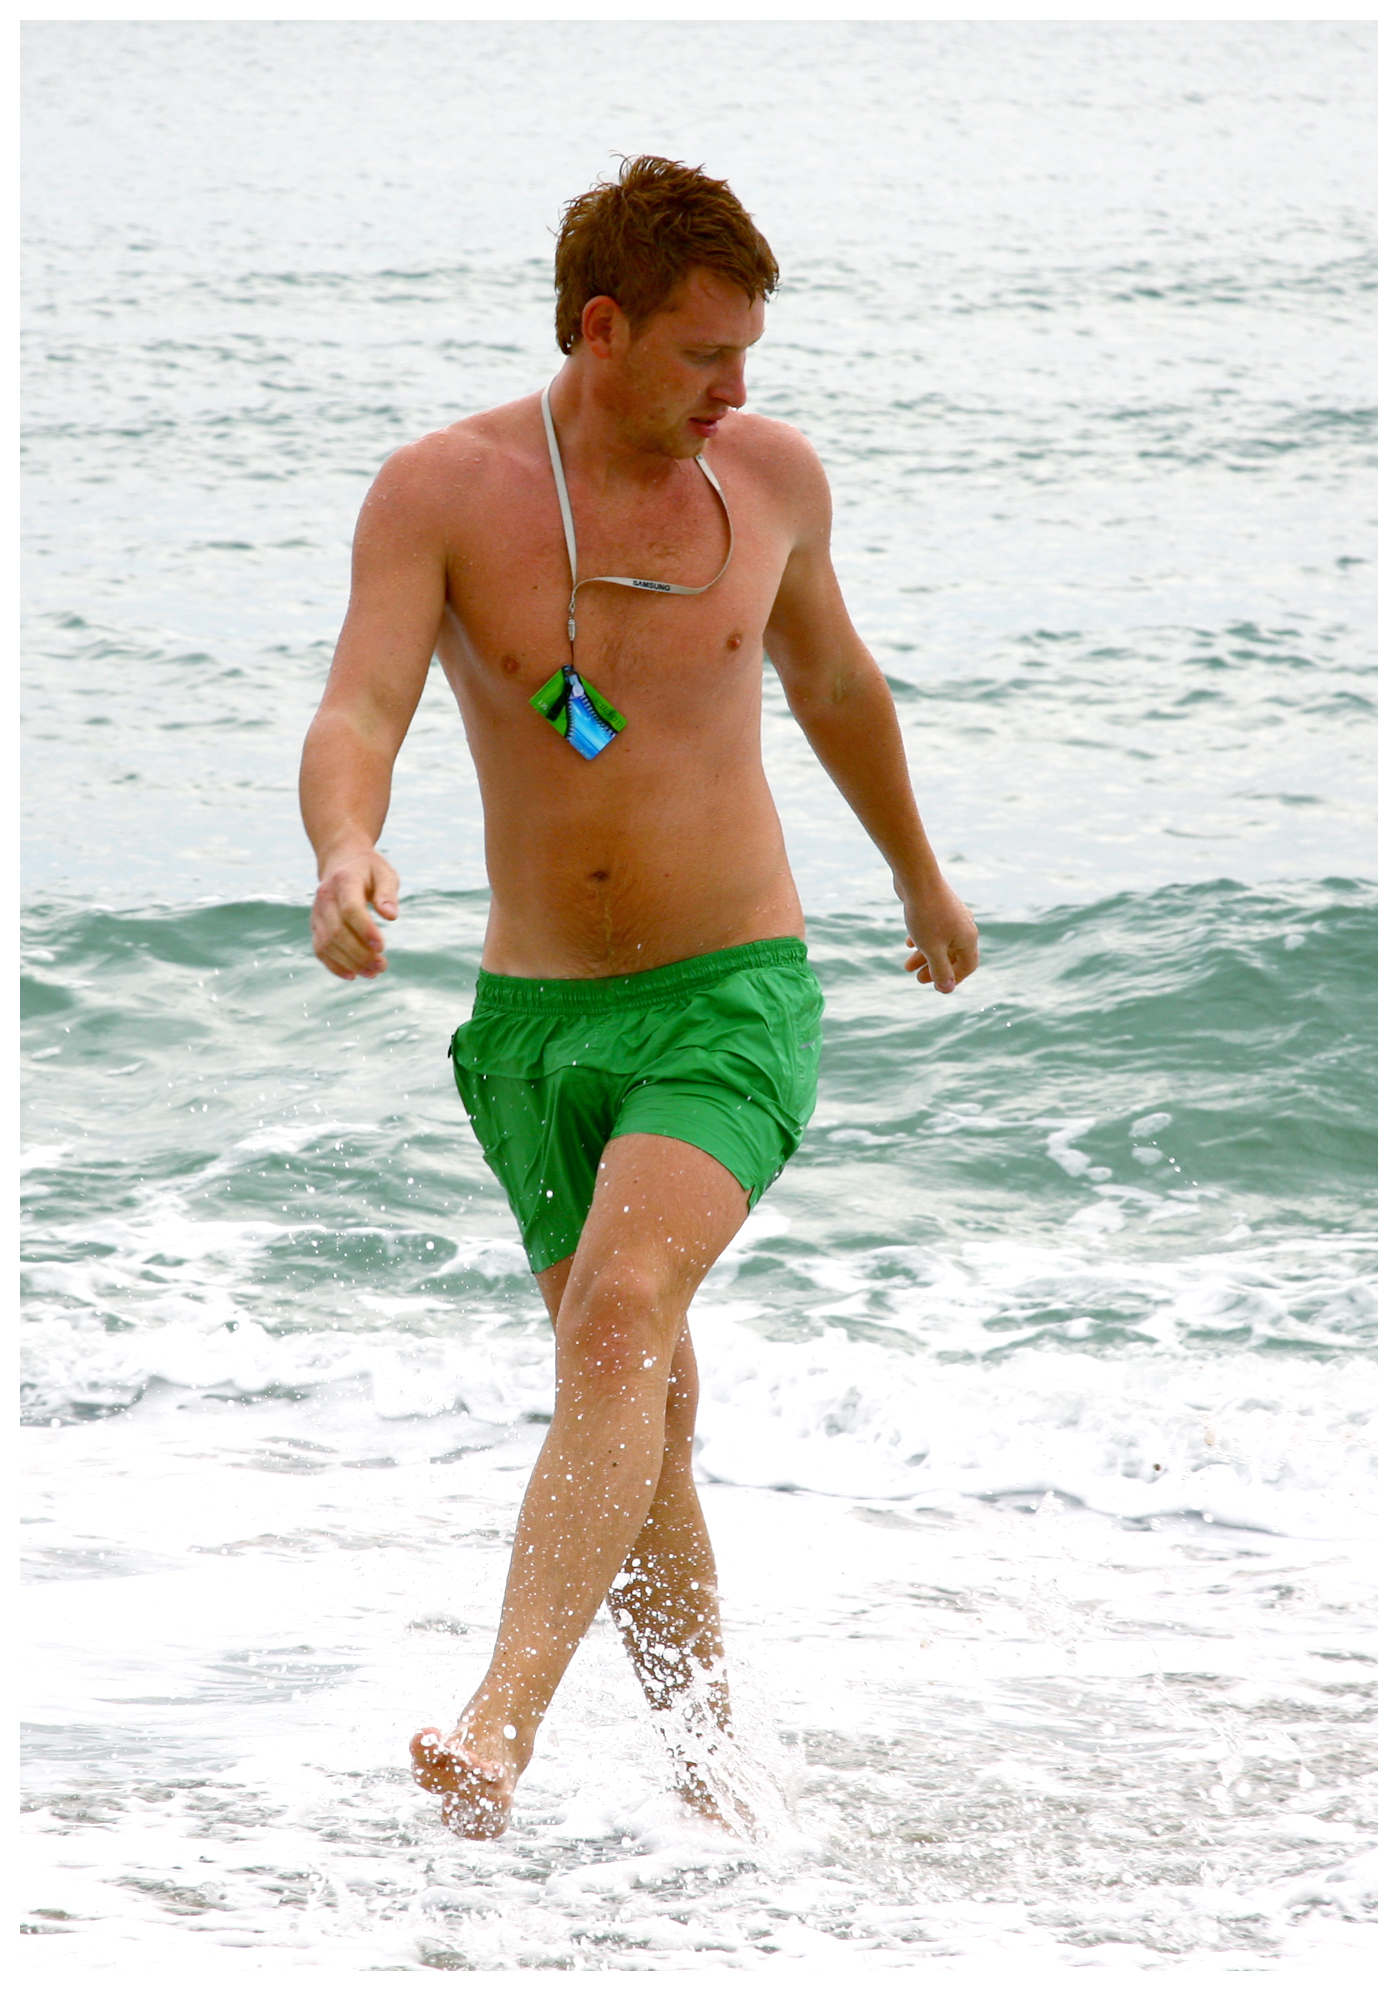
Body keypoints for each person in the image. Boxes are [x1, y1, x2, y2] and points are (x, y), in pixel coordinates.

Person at [299, 155, 979, 1839]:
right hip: (532, 1026)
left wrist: (918, 875)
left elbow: (837, 684)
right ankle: (715, 1781)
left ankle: (499, 1723)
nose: (736, 389)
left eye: (748, 354)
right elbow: (361, 706)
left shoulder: (773, 480)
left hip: (731, 994)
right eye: (703, 354)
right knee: (643, 1397)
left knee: (616, 1321)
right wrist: (344, 848)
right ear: (601, 329)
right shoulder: (442, 493)